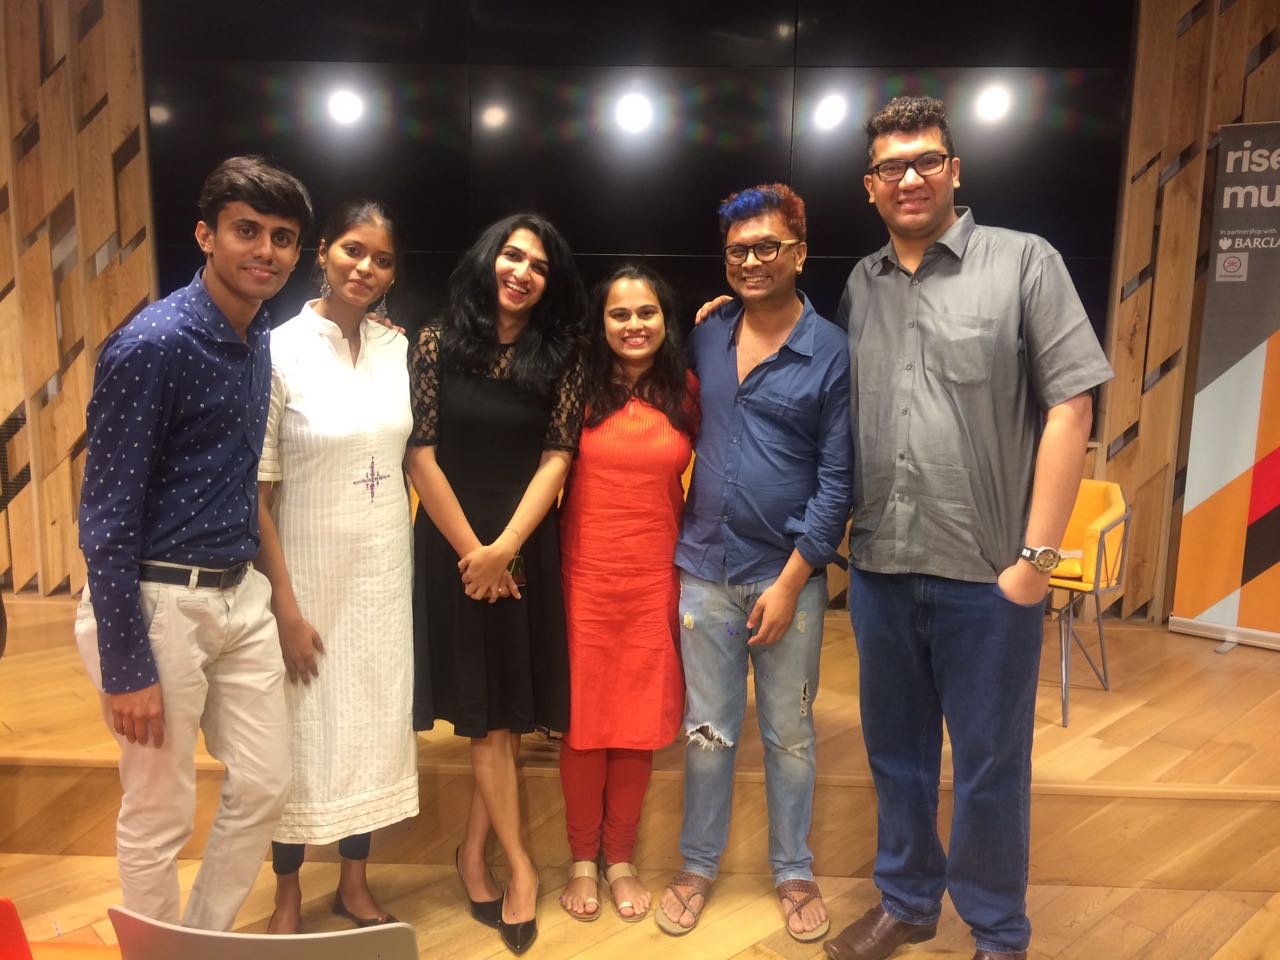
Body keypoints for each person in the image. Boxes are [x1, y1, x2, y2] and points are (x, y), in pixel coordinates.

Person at [822, 96, 1113, 960]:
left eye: (925, 160)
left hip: (991, 577)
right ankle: (908, 901)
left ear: (954, 168)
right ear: (870, 185)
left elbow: (1072, 407)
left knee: (989, 765)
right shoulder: (860, 286)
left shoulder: (1025, 262)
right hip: (882, 569)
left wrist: (1036, 560)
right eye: (890, 166)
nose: (908, 177)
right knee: (896, 756)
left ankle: (997, 932)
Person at [74, 155, 313, 930]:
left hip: (238, 593)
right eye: (248, 230)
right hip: (157, 602)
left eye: (282, 237)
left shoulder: (257, 335)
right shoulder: (155, 344)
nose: (266, 250)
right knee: (159, 812)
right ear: (206, 235)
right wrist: (126, 664)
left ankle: (200, 940)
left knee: (268, 783)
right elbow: (105, 515)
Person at [657, 184, 853, 943]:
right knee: (707, 729)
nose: (750, 261)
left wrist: (794, 580)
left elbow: (838, 481)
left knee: (789, 733)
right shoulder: (708, 334)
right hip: (704, 568)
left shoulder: (831, 351)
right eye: (737, 250)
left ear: (800, 253)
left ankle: (793, 868)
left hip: (787, 577)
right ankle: (698, 864)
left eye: (767, 246)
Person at [407, 213, 586, 955]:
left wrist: (506, 551)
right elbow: (420, 453)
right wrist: (474, 554)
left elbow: (558, 457)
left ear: (550, 282)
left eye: (538, 265)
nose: (522, 272)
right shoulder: (436, 340)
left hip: (523, 545)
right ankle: (518, 868)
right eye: (513, 256)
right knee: (488, 718)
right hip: (453, 546)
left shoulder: (561, 353)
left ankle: (473, 857)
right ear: (489, 260)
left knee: (500, 714)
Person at [253, 200, 418, 933]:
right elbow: (256, 494)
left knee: (372, 728)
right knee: (300, 737)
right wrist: (285, 609)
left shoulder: (395, 349)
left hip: (382, 576)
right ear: (323, 252)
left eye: (382, 259)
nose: (366, 268)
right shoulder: (278, 349)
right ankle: (287, 892)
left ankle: (355, 882)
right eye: (354, 250)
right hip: (306, 580)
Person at [556, 265, 697, 924]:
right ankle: (582, 859)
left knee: (636, 724)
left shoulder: (685, 390)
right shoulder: (575, 384)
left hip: (654, 578)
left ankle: (620, 860)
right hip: (584, 576)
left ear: (665, 320)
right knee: (586, 724)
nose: (634, 325)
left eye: (647, 312)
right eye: (619, 313)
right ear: (601, 322)